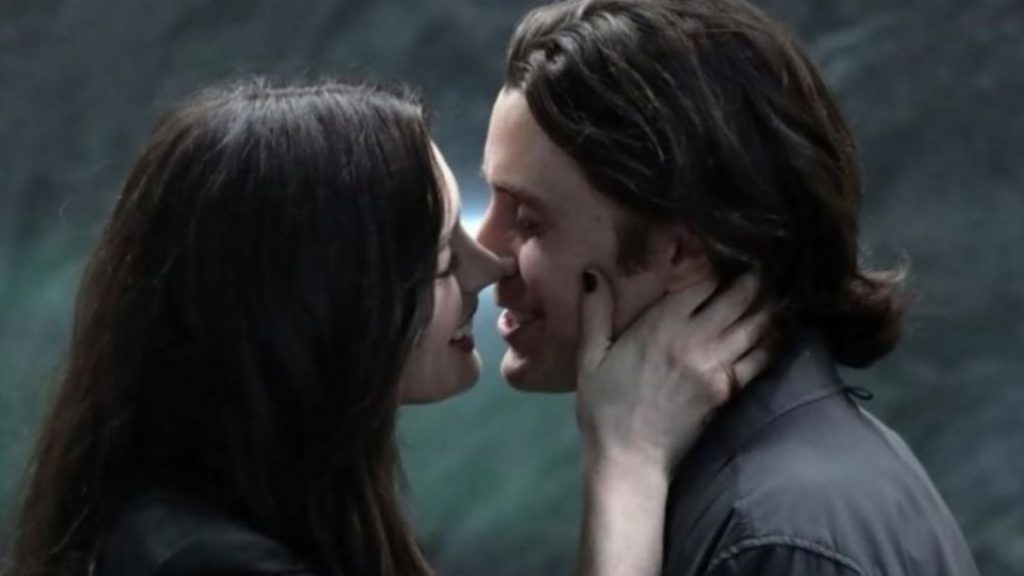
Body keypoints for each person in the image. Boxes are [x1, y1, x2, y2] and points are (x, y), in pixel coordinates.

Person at [6, 79, 769, 576]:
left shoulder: (244, 515)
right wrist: (627, 463)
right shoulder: (209, 564)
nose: (486, 266)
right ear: (322, 305)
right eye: (440, 258)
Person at [478, 0, 980, 574]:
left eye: (528, 222)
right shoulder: (772, 488)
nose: (485, 256)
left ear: (683, 250)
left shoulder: (773, 537)